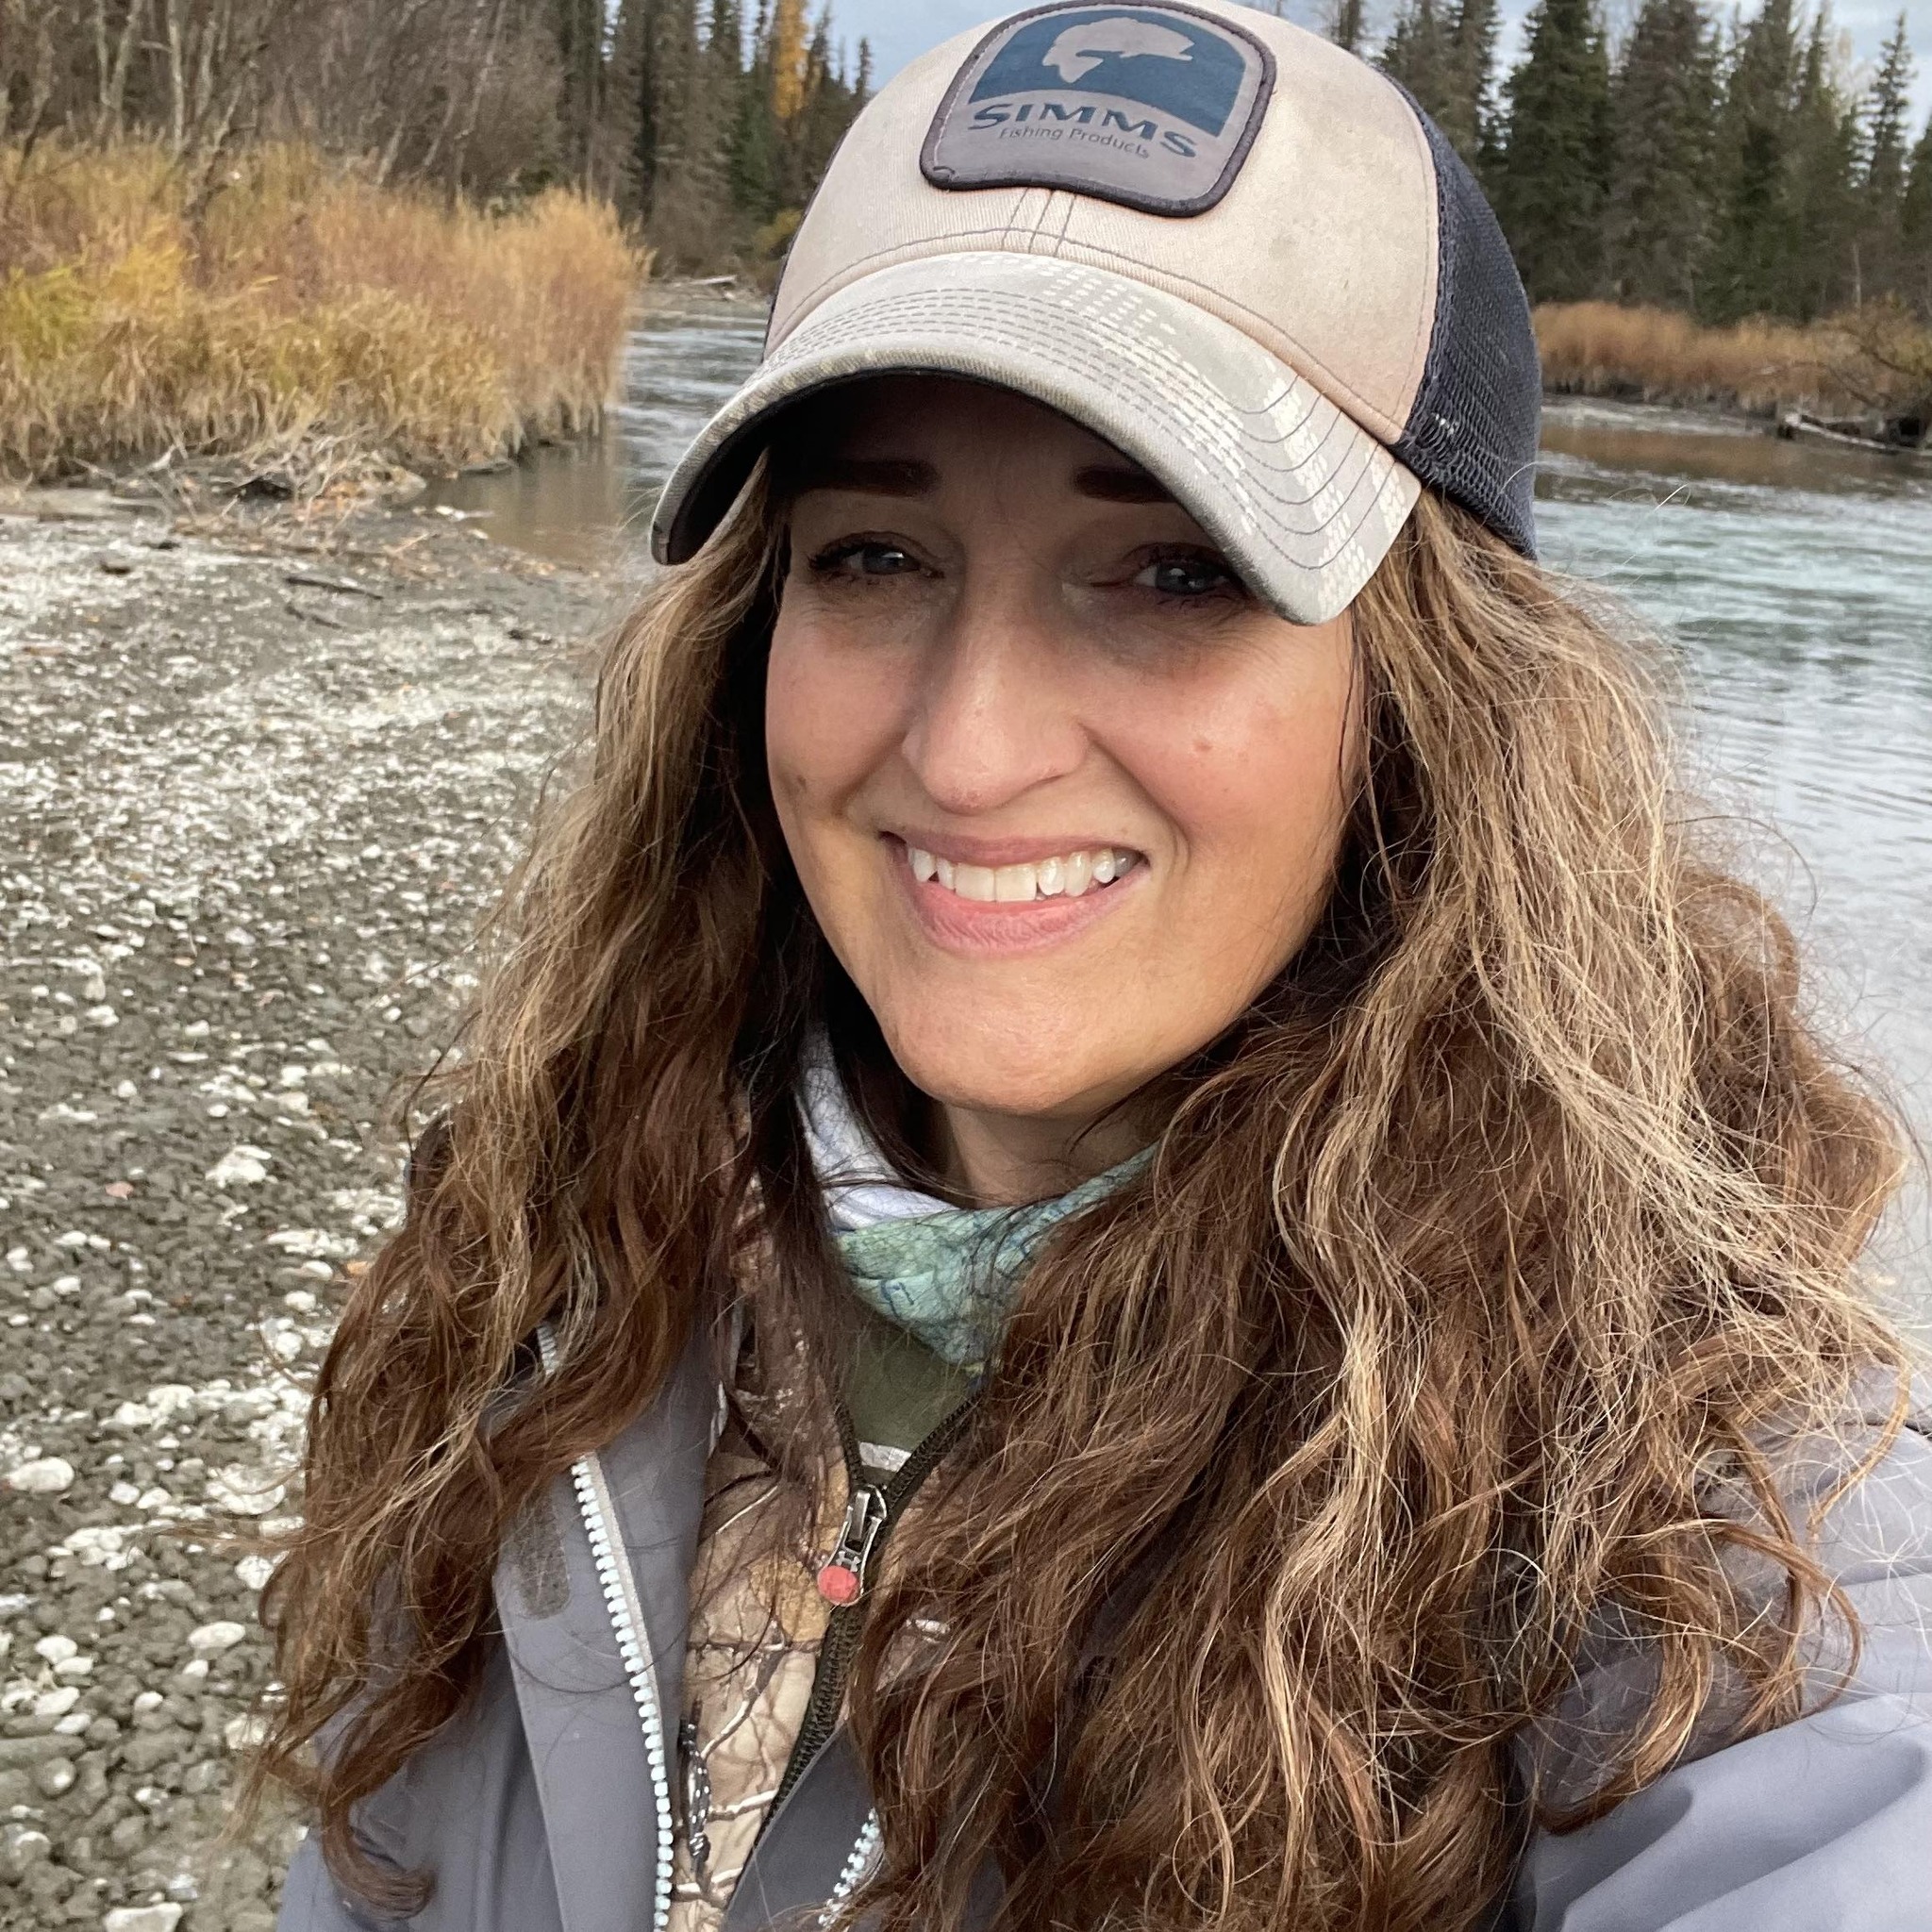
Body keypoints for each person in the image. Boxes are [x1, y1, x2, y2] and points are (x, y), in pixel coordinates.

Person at [260, 5, 1932, 1929]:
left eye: (1173, 574)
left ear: (1428, 702)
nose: (968, 749)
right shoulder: (543, 1278)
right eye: (875, 555)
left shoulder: (1698, 1527)